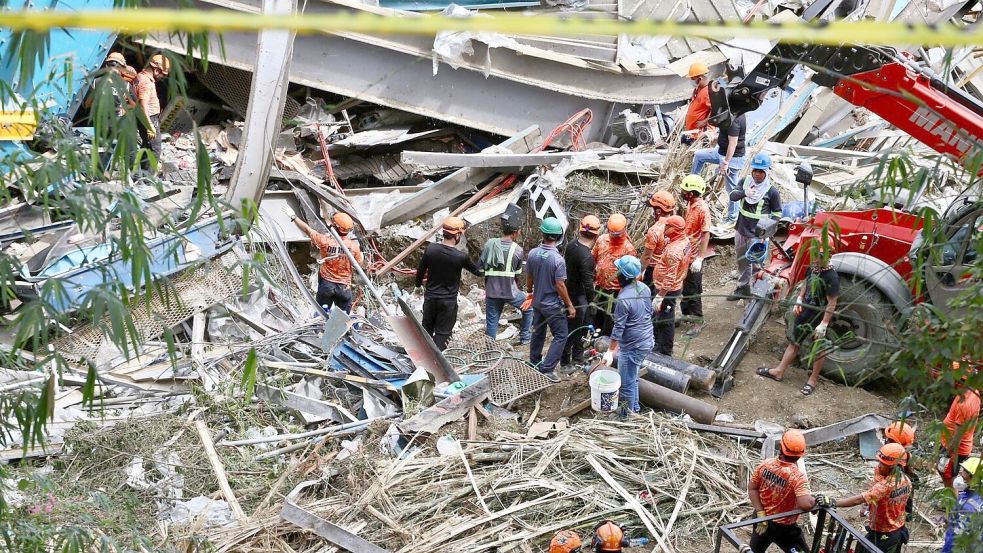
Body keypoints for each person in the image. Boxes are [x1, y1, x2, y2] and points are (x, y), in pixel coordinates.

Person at [756, 241, 840, 396]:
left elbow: (832, 302)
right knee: (794, 342)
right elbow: (805, 284)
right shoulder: (813, 269)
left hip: (818, 316)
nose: (816, 258)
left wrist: (824, 323)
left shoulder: (831, 276)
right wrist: (800, 299)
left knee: (819, 347)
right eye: (815, 254)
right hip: (805, 312)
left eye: (820, 255)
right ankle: (779, 371)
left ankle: (813, 380)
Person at [817, 443, 912, 553]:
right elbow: (876, 497)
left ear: (893, 467)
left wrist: (834, 502)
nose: (879, 465)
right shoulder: (906, 480)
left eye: (882, 464)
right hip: (897, 530)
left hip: (883, 534)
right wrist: (867, 506)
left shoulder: (886, 486)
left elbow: (860, 498)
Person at [416, 217, 482, 350]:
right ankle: (437, 364)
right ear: (457, 235)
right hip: (448, 303)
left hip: (430, 300)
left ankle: (423, 361)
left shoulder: (431, 249)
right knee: (442, 334)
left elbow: (420, 271)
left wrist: (418, 285)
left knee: (426, 331)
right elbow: (478, 272)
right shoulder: (460, 257)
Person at [747, 429, 817, 553]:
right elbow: (805, 504)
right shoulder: (797, 476)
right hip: (784, 527)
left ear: (781, 447)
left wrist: (760, 513)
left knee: (754, 551)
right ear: (801, 454)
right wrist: (815, 501)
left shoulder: (765, 465)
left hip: (762, 520)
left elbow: (752, 488)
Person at [600, 256, 652, 418]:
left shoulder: (623, 299)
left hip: (633, 346)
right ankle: (634, 409)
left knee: (626, 383)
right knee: (633, 377)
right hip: (647, 340)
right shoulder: (644, 287)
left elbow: (618, 328)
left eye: (618, 272)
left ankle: (625, 417)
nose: (616, 275)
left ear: (624, 276)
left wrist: (610, 351)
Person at [525, 217, 576, 377]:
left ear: (543, 234)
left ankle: (534, 361)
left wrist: (530, 292)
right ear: (558, 236)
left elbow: (529, 276)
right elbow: (560, 285)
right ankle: (547, 369)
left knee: (538, 332)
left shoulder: (533, 253)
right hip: (552, 305)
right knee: (561, 335)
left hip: (538, 302)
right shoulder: (558, 260)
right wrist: (570, 305)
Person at [728, 152, 782, 301]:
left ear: (766, 172)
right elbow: (732, 195)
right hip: (741, 229)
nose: (757, 174)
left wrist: (768, 231)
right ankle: (743, 288)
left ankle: (760, 292)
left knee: (757, 263)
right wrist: (745, 193)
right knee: (742, 261)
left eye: (761, 172)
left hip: (758, 234)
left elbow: (777, 213)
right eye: (755, 171)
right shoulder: (745, 182)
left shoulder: (771, 191)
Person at [292, 211, 363, 315]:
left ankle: (319, 330)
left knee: (321, 315)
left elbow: (307, 229)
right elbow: (359, 265)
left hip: (326, 285)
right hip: (344, 287)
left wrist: (294, 217)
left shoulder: (325, 241)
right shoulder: (353, 247)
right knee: (342, 319)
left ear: (334, 226)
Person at [480, 214, 532, 346]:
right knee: (528, 308)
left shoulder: (489, 244)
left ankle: (490, 349)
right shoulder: (518, 250)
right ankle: (525, 337)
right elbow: (516, 275)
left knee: (492, 321)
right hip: (510, 291)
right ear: (515, 233)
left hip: (492, 291)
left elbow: (480, 269)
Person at [691, 111, 747, 225]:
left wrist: (726, 162)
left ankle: (732, 218)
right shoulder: (728, 114)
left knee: (732, 190)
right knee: (699, 155)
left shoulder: (735, 120)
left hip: (732, 158)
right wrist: (715, 138)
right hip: (720, 151)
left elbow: (733, 143)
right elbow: (723, 132)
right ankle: (693, 183)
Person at [561, 215, 600, 367]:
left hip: (569, 292)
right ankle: (566, 361)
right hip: (579, 297)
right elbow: (588, 284)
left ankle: (576, 357)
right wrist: (593, 302)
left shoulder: (571, 245)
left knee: (577, 328)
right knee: (575, 329)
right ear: (596, 235)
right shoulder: (586, 257)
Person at [591, 213, 636, 336]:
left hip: (616, 291)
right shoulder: (601, 240)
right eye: (613, 233)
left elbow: (630, 274)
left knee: (610, 320)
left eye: (618, 234)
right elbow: (593, 258)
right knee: (596, 315)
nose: (615, 236)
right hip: (600, 286)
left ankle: (606, 344)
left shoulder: (628, 248)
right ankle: (593, 338)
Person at [651, 216, 689, 356]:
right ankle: (659, 344)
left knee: (666, 320)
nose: (664, 228)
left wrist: (660, 296)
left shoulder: (674, 251)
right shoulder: (684, 241)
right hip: (675, 285)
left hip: (668, 290)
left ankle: (665, 350)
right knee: (661, 317)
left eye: (668, 227)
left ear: (675, 230)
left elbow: (670, 276)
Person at [678, 175, 710, 336]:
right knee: (684, 288)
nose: (682, 192)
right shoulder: (690, 205)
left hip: (694, 257)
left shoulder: (702, 209)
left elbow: (706, 234)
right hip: (685, 254)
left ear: (691, 192)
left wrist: (700, 258)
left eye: (685, 190)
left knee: (693, 290)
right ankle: (686, 315)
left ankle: (698, 321)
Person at [938, 382, 981, 488]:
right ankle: (949, 501)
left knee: (948, 478)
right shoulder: (973, 392)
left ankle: (951, 502)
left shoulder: (964, 404)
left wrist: (947, 455)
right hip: (953, 444)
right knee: (946, 476)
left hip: (954, 449)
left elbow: (957, 437)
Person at [132, 53, 170, 171]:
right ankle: (147, 179)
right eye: (162, 74)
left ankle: (140, 174)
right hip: (148, 118)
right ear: (157, 70)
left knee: (147, 145)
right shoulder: (146, 82)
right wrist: (149, 125)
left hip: (144, 116)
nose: (162, 77)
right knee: (155, 148)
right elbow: (143, 104)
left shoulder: (140, 76)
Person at [941, 457, 983, 553]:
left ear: (973, 477)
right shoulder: (975, 496)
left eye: (964, 470)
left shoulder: (966, 507)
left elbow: (955, 539)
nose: (961, 473)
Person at [639, 191, 676, 287]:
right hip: (670, 268)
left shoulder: (654, 230)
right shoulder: (676, 225)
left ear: (658, 211)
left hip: (654, 270)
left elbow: (647, 256)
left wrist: (639, 272)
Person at [682, 62, 712, 144]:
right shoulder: (698, 89)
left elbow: (715, 110)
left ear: (699, 79)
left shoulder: (708, 91)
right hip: (691, 132)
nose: (691, 81)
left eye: (693, 79)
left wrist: (704, 121)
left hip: (699, 134)